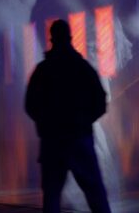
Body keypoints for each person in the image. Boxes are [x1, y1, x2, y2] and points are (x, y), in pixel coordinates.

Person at [25, 19, 112, 213]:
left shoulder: (42, 71)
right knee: (96, 195)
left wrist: (46, 124)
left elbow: (30, 105)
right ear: (70, 37)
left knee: (52, 198)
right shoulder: (83, 68)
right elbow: (100, 101)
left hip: (52, 142)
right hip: (80, 139)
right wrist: (82, 121)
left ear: (52, 38)